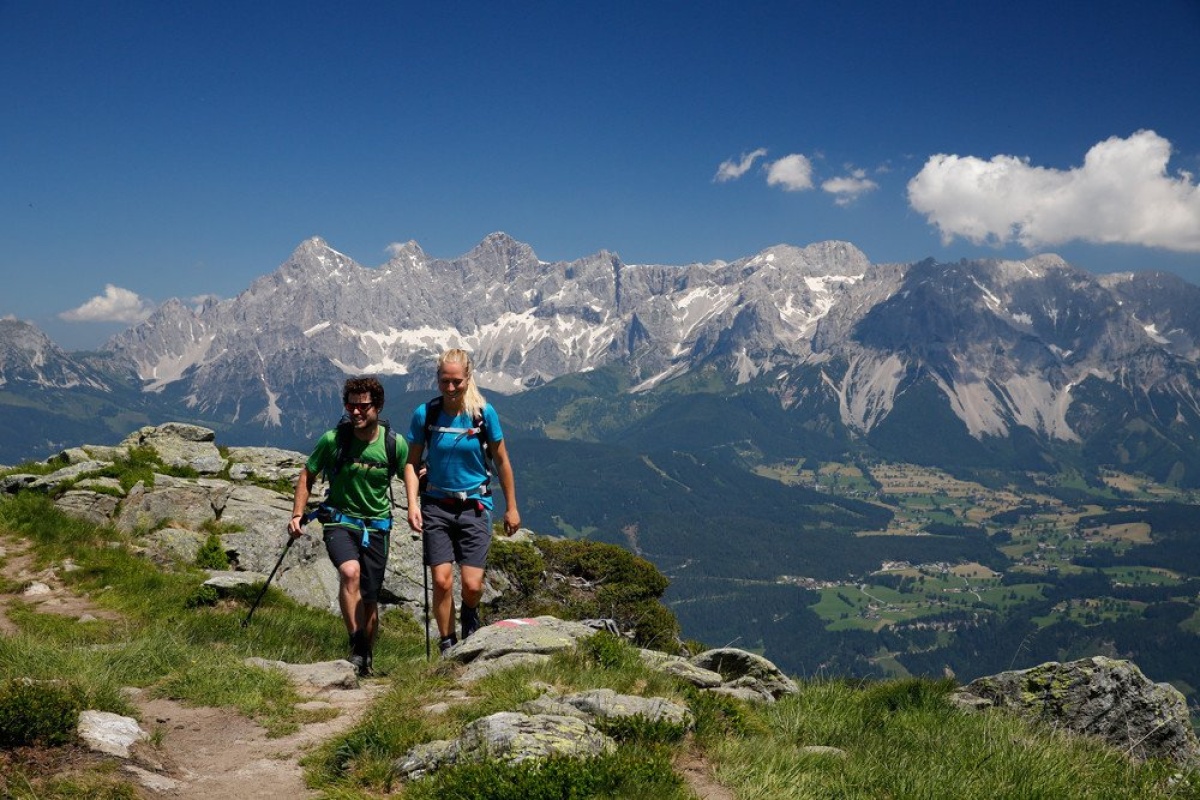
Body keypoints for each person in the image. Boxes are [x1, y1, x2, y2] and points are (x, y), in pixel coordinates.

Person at [404, 348, 520, 655]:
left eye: (457, 381)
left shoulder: (483, 414)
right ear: (437, 379)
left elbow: (502, 461)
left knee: (472, 585)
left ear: (468, 378)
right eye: (445, 381)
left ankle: (470, 611)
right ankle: (448, 644)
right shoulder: (425, 414)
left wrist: (511, 507)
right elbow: (411, 463)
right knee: (442, 582)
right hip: (436, 505)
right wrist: (413, 504)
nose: (451, 387)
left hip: (475, 506)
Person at [289, 376, 406, 676]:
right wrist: (297, 514)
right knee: (350, 572)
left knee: (370, 599)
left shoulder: (394, 444)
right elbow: (307, 475)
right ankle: (357, 645)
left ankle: (366, 659)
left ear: (378, 407)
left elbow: (411, 473)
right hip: (339, 521)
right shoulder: (333, 440)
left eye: (363, 406)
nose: (355, 412)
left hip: (377, 527)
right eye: (350, 405)